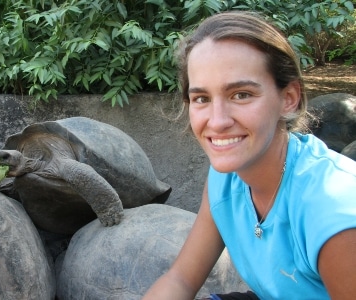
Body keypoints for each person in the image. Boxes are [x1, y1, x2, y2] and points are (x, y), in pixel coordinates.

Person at [143, 11, 356, 300]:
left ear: (288, 98)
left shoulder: (333, 213)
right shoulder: (225, 177)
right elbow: (180, 279)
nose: (217, 121)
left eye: (241, 94)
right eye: (202, 99)